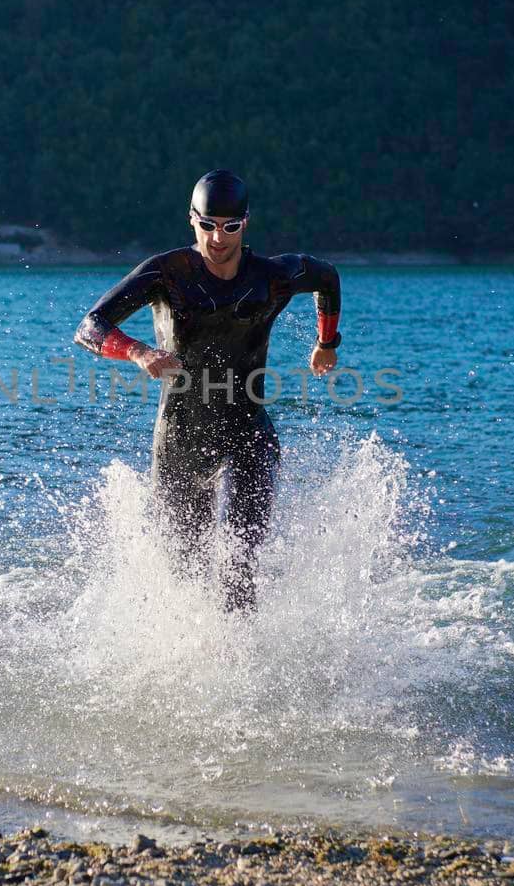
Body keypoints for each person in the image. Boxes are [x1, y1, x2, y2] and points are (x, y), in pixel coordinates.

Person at [74, 169, 342, 612]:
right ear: (192, 221)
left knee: (239, 567)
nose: (219, 238)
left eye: (230, 227)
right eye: (208, 226)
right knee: (187, 575)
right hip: (180, 441)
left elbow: (327, 278)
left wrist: (327, 343)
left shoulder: (272, 277)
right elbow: (90, 327)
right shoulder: (166, 274)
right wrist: (139, 353)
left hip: (248, 435)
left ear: (245, 224)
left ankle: (244, 669)